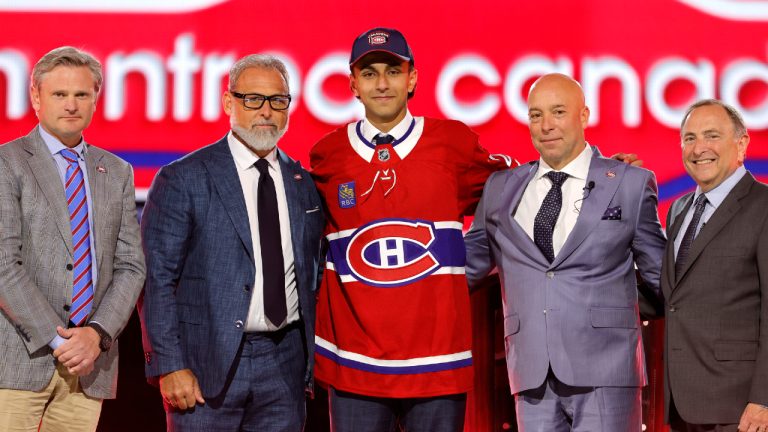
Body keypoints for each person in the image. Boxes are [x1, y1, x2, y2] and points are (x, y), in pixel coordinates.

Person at [309, 27, 515, 432]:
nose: (382, 83)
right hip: (355, 365)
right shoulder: (328, 154)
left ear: (413, 78)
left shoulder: (452, 144)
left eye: (392, 70)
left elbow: (519, 187)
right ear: (353, 84)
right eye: (369, 73)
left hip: (437, 363)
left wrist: (592, 173)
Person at [464, 73, 666, 432]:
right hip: (531, 372)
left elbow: (661, 279)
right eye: (535, 115)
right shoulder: (500, 190)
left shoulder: (629, 182)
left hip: (608, 369)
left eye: (558, 112)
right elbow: (467, 266)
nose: (546, 125)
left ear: (584, 116)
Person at [139, 54, 324, 431]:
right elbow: (156, 280)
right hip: (203, 367)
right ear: (229, 103)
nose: (266, 111)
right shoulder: (183, 178)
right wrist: (169, 364)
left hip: (284, 365)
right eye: (252, 99)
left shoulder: (303, 184)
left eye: (277, 100)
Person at [0, 46, 146, 431]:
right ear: (35, 97)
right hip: (16, 361)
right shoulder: (7, 162)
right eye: (59, 94)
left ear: (96, 98)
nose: (71, 104)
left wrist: (96, 336)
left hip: (89, 368)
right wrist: (59, 339)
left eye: (81, 94)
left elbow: (130, 266)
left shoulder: (117, 171)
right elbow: (3, 265)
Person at [663, 99, 768, 432]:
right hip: (682, 404)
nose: (699, 148)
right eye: (690, 138)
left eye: (711, 136)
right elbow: (673, 298)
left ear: (741, 144)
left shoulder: (763, 207)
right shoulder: (678, 209)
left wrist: (764, 399)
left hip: (740, 408)